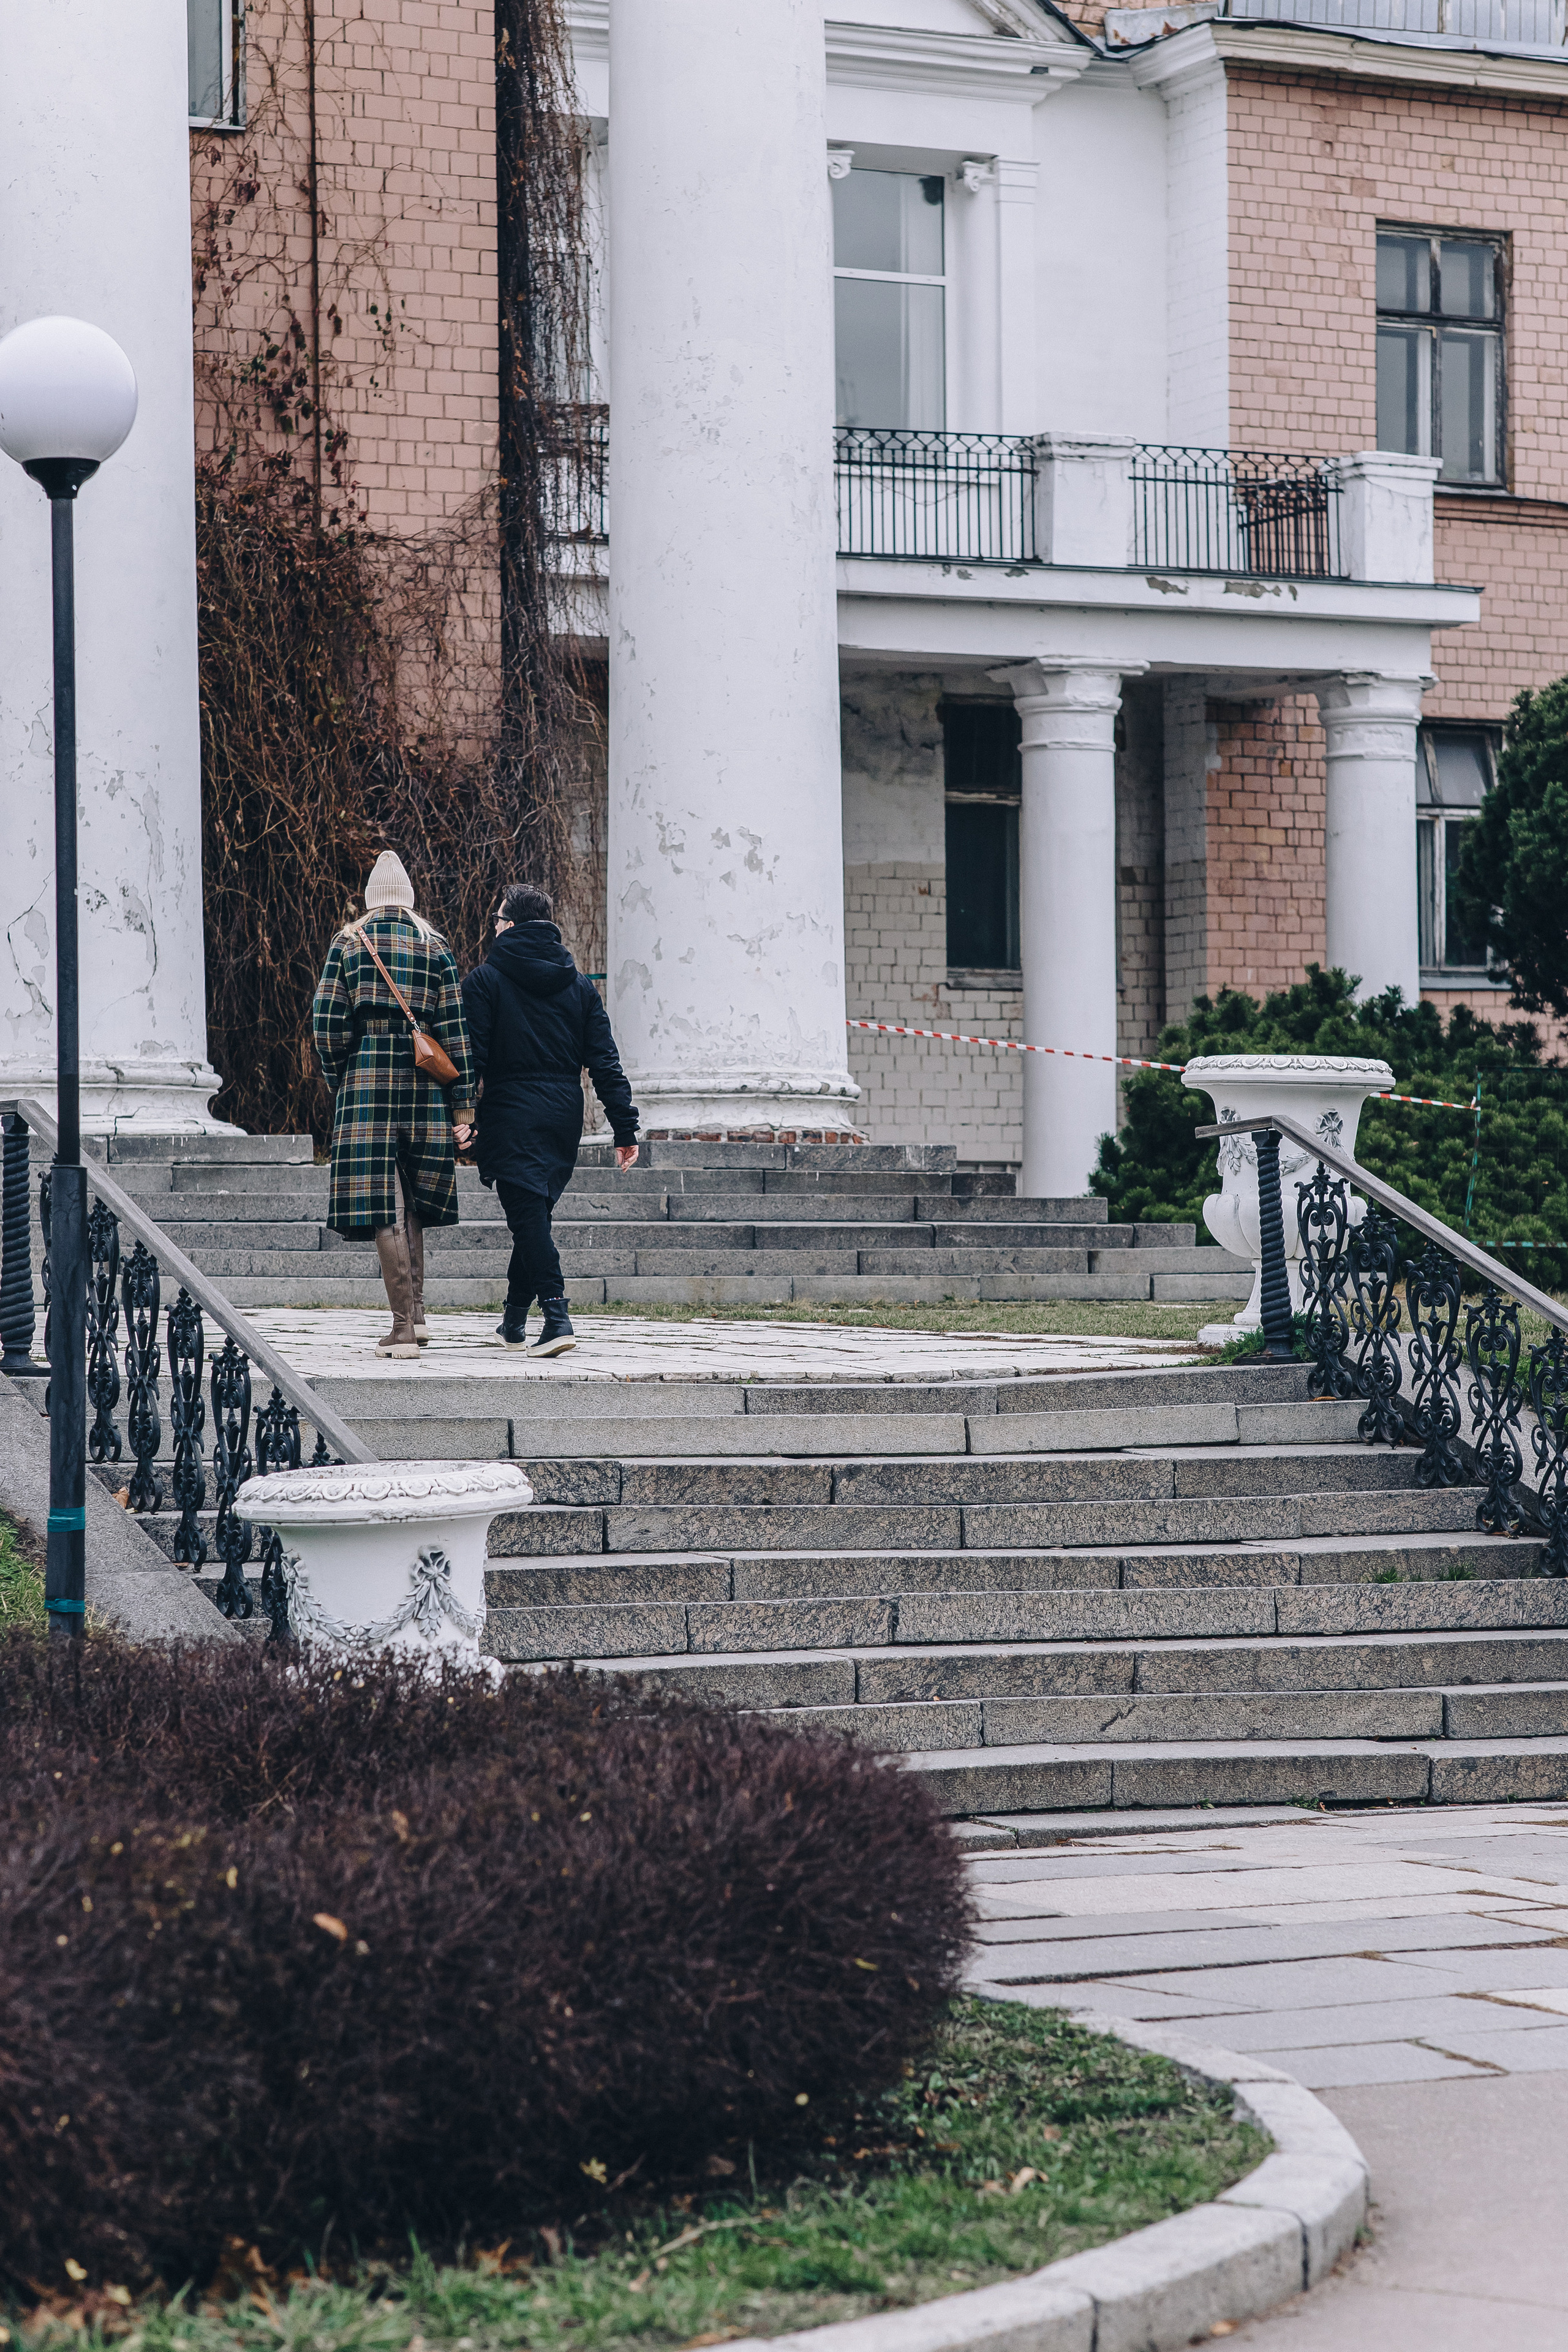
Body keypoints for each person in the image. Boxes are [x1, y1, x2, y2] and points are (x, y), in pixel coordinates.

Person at [456, 881, 639, 1357]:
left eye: (497, 920)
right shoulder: (578, 986)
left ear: (511, 926)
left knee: (528, 1219)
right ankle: (514, 1322)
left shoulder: (484, 981)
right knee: (533, 1215)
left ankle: (557, 1317)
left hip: (510, 1111)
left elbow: (470, 1058)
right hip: (563, 1115)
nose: (493, 927)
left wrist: (460, 1116)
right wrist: (624, 1128)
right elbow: (605, 1061)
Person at [312, 850, 476, 1359]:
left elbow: (326, 1024)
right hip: (425, 1082)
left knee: (384, 1203)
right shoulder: (436, 945)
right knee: (415, 1201)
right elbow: (455, 1031)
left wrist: (342, 1080)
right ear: (407, 898)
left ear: (370, 898)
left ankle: (402, 1328)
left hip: (367, 1080)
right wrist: (464, 1107)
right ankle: (420, 1316)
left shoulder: (348, 943)